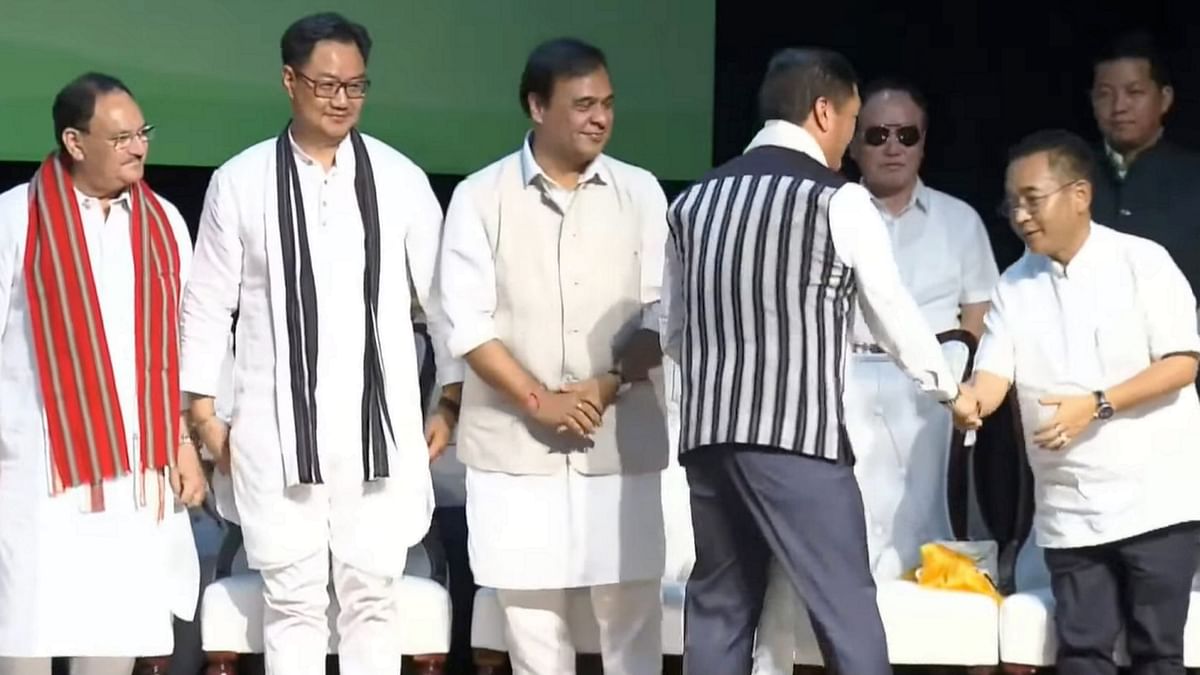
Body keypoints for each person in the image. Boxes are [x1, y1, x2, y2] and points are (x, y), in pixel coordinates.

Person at [663, 48, 978, 675]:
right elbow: (891, 312)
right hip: (795, 440)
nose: (853, 141)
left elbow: (672, 327)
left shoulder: (693, 201)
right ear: (823, 111)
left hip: (707, 436)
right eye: (855, 123)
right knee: (846, 609)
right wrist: (952, 391)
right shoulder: (836, 199)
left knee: (720, 611)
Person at [178, 13, 458, 675]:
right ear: (289, 81)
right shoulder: (241, 181)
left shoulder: (399, 178)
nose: (341, 101)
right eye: (326, 85)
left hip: (377, 430)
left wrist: (448, 402)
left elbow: (449, 302)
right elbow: (207, 307)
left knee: (371, 600)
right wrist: (203, 417)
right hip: (275, 432)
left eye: (355, 87)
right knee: (293, 604)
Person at [751, 77, 1000, 674]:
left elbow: (980, 320)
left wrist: (960, 389)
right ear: (854, 143)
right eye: (877, 134)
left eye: (906, 134)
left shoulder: (960, 220)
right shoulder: (826, 207)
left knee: (927, 499)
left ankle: (935, 640)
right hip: (840, 378)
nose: (893, 146)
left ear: (924, 144)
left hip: (932, 389)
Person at [438, 37, 670, 675]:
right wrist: (539, 401)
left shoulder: (642, 192)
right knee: (531, 620)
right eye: (583, 104)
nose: (600, 118)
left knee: (630, 610)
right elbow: (466, 322)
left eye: (608, 104)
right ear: (537, 107)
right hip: (516, 442)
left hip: (620, 436)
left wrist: (607, 382)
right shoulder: (480, 196)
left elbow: (665, 312)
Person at [966, 129, 1200, 675]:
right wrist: (966, 400)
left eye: (1032, 199)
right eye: (1012, 203)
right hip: (1070, 508)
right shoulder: (1013, 285)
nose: (1020, 215)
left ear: (1079, 194)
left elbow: (1182, 362)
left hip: (1156, 500)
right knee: (1082, 653)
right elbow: (993, 375)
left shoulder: (1143, 261)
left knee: (1157, 653)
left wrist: (1096, 404)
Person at [0, 73, 204, 675]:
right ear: (74, 140)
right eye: (120, 137)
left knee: (114, 629)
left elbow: (184, 348)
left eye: (143, 133)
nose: (138, 147)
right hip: (38, 469)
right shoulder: (16, 218)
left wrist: (186, 442)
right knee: (29, 629)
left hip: (135, 475)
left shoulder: (166, 223)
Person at [1089, 31, 1200, 299]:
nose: (1119, 107)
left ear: (1165, 98)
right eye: (1105, 94)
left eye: (1134, 92)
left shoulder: (1193, 177)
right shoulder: (1069, 177)